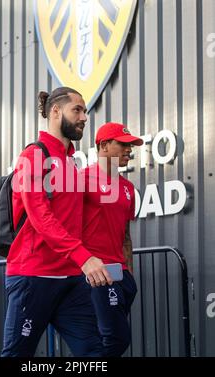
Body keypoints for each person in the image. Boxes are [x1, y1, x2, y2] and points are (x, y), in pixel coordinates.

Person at [1, 87, 112, 357]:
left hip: (72, 279)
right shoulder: (32, 156)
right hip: (33, 277)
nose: (84, 116)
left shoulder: (72, 163)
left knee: (95, 353)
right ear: (55, 112)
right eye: (77, 109)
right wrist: (84, 258)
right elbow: (40, 215)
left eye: (85, 110)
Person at [82, 122, 143, 357]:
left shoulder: (128, 188)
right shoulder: (81, 180)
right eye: (124, 144)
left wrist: (129, 272)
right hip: (96, 275)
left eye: (132, 146)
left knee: (103, 340)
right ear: (104, 145)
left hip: (121, 275)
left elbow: (125, 236)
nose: (130, 150)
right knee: (116, 339)